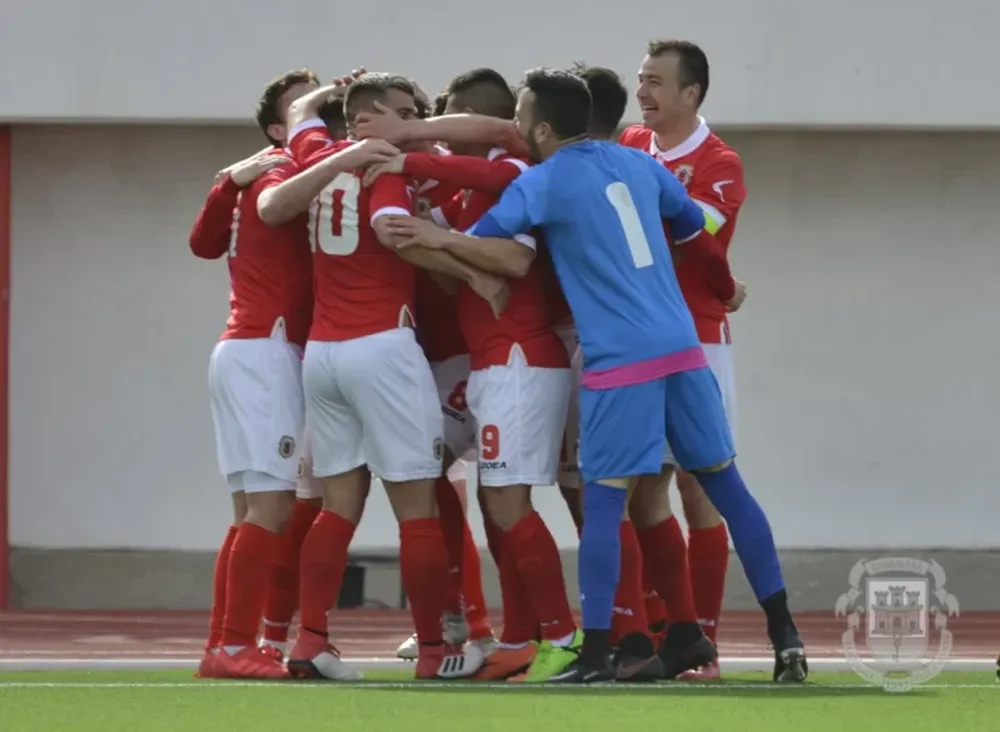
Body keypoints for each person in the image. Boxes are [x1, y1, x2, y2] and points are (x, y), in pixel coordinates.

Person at [378, 67, 807, 684]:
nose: (516, 126)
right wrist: (724, 289)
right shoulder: (643, 164)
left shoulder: (544, 182)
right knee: (726, 488)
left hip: (620, 360)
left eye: (522, 117)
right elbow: (700, 240)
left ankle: (599, 652)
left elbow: (498, 252)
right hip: (684, 348)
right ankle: (784, 638)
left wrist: (434, 237)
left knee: (605, 506)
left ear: (543, 128)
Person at [260, 73, 502, 681]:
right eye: (400, 110)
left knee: (336, 506)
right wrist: (468, 271)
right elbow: (394, 229)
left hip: (325, 353)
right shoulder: (384, 163)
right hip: (383, 347)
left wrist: (329, 94)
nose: (412, 118)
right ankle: (433, 650)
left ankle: (309, 640)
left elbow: (304, 119)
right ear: (367, 117)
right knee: (418, 505)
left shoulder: (314, 150)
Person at [368, 68, 580, 682]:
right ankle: (516, 635)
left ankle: (562, 637)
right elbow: (452, 266)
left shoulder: (511, 170)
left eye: (447, 116)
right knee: (474, 486)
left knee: (513, 502)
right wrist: (441, 242)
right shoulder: (464, 188)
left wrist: (435, 225)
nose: (436, 127)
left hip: (518, 360)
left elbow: (515, 258)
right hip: (491, 362)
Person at [620, 39, 747, 680]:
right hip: (635, 338)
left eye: (656, 81)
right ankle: (667, 631)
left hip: (698, 337)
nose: (642, 91)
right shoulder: (628, 144)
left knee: (700, 487)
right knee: (644, 485)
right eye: (640, 79)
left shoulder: (719, 160)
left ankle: (707, 644)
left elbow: (700, 234)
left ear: (691, 94)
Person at [188, 68, 319, 680]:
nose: (323, 117)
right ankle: (237, 645)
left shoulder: (256, 174)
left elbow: (201, 242)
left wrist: (227, 179)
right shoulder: (285, 172)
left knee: (249, 513)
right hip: (267, 351)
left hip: (241, 348)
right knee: (270, 509)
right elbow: (202, 242)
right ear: (276, 130)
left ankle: (226, 645)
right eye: (306, 111)